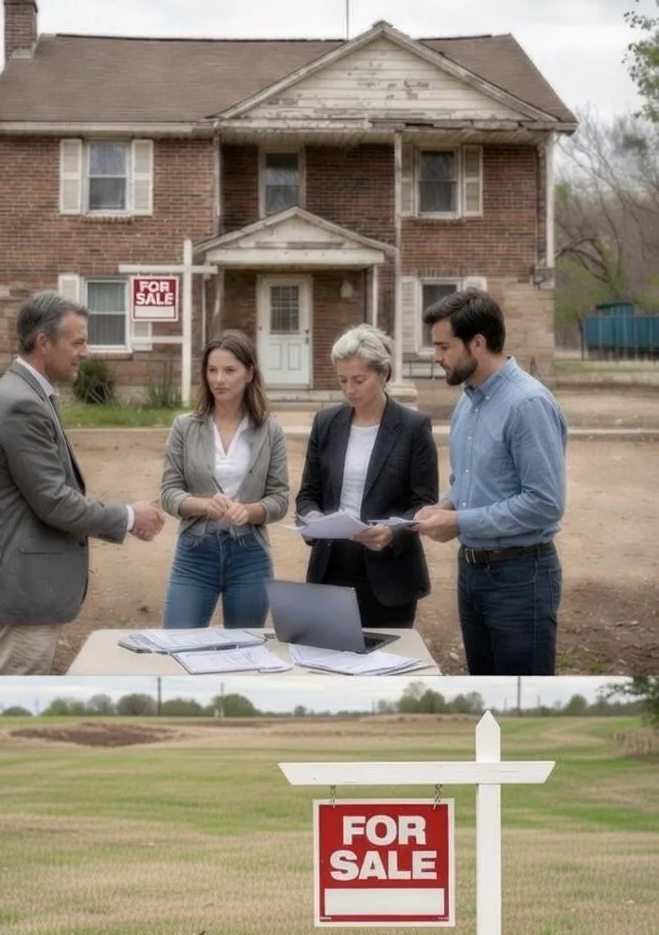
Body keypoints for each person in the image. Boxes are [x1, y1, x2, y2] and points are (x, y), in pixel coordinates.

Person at [0, 291, 165, 675]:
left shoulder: (29, 394)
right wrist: (128, 516)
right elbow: (55, 502)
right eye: (77, 342)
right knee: (12, 713)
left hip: (27, 595)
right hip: (21, 596)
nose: (86, 351)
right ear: (44, 343)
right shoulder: (19, 405)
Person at [413, 288, 567, 675]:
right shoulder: (468, 400)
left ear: (477, 343)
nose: (436, 356)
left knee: (523, 707)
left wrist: (460, 522)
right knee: (485, 698)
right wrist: (446, 508)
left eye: (444, 347)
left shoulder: (527, 405)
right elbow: (470, 484)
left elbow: (544, 503)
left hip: (521, 577)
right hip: (472, 573)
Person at [295, 324, 439, 628]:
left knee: (386, 667)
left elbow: (424, 502)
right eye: (343, 380)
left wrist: (392, 533)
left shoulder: (414, 427)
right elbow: (308, 493)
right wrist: (312, 518)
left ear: (383, 373)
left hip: (390, 575)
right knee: (329, 665)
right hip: (330, 568)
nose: (349, 389)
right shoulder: (325, 423)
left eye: (359, 380)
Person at [160, 329, 289, 628]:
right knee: (177, 645)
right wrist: (205, 505)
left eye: (230, 371)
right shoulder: (184, 427)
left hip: (250, 557)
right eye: (212, 370)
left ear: (249, 374)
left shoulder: (269, 431)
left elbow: (280, 499)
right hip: (194, 555)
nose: (219, 379)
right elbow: (169, 493)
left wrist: (250, 511)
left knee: (243, 654)